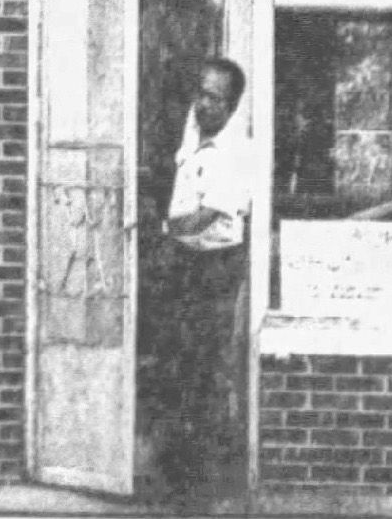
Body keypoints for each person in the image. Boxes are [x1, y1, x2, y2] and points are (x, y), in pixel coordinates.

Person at [142, 57, 251, 505]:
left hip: (215, 268)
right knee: (178, 363)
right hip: (187, 265)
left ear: (231, 105)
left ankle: (204, 480)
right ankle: (177, 469)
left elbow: (206, 217)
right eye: (200, 93)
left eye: (214, 98)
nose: (203, 104)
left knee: (206, 367)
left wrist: (162, 232)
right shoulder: (195, 135)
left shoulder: (233, 152)